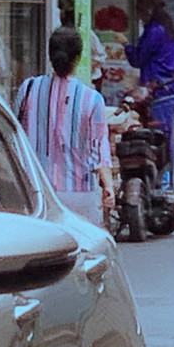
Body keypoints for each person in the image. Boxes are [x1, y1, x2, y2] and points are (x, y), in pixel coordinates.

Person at [15, 27, 115, 225]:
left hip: (36, 193)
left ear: (50, 55)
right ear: (78, 58)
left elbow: (14, 135)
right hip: (79, 195)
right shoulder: (92, 99)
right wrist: (109, 187)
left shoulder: (27, 89)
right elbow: (99, 151)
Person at [125, 0, 174, 135]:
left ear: (148, 10)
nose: (139, 17)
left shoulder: (154, 31)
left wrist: (126, 45)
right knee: (167, 136)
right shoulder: (168, 30)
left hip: (159, 91)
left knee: (159, 137)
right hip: (171, 89)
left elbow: (138, 58)